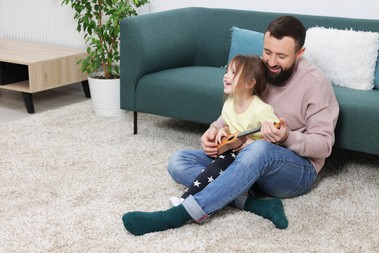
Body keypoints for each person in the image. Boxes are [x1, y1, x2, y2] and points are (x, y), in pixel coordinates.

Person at [122, 15, 339, 236]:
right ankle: (255, 203)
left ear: (299, 53)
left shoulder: (316, 84)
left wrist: (286, 137)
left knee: (259, 149)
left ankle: (179, 215)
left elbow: (324, 145)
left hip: (295, 171)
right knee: (179, 162)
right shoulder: (258, 70)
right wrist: (214, 129)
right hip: (244, 160)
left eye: (281, 56)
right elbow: (237, 107)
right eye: (268, 52)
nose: (272, 62)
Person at [169, 54, 287, 229]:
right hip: (230, 154)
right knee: (178, 161)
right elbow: (229, 126)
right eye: (227, 71)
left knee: (217, 167)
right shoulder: (229, 103)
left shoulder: (260, 109)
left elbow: (273, 142)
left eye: (233, 72)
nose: (226, 76)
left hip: (248, 163)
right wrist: (220, 130)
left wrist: (265, 138)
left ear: (249, 83)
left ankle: (187, 200)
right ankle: (241, 195)